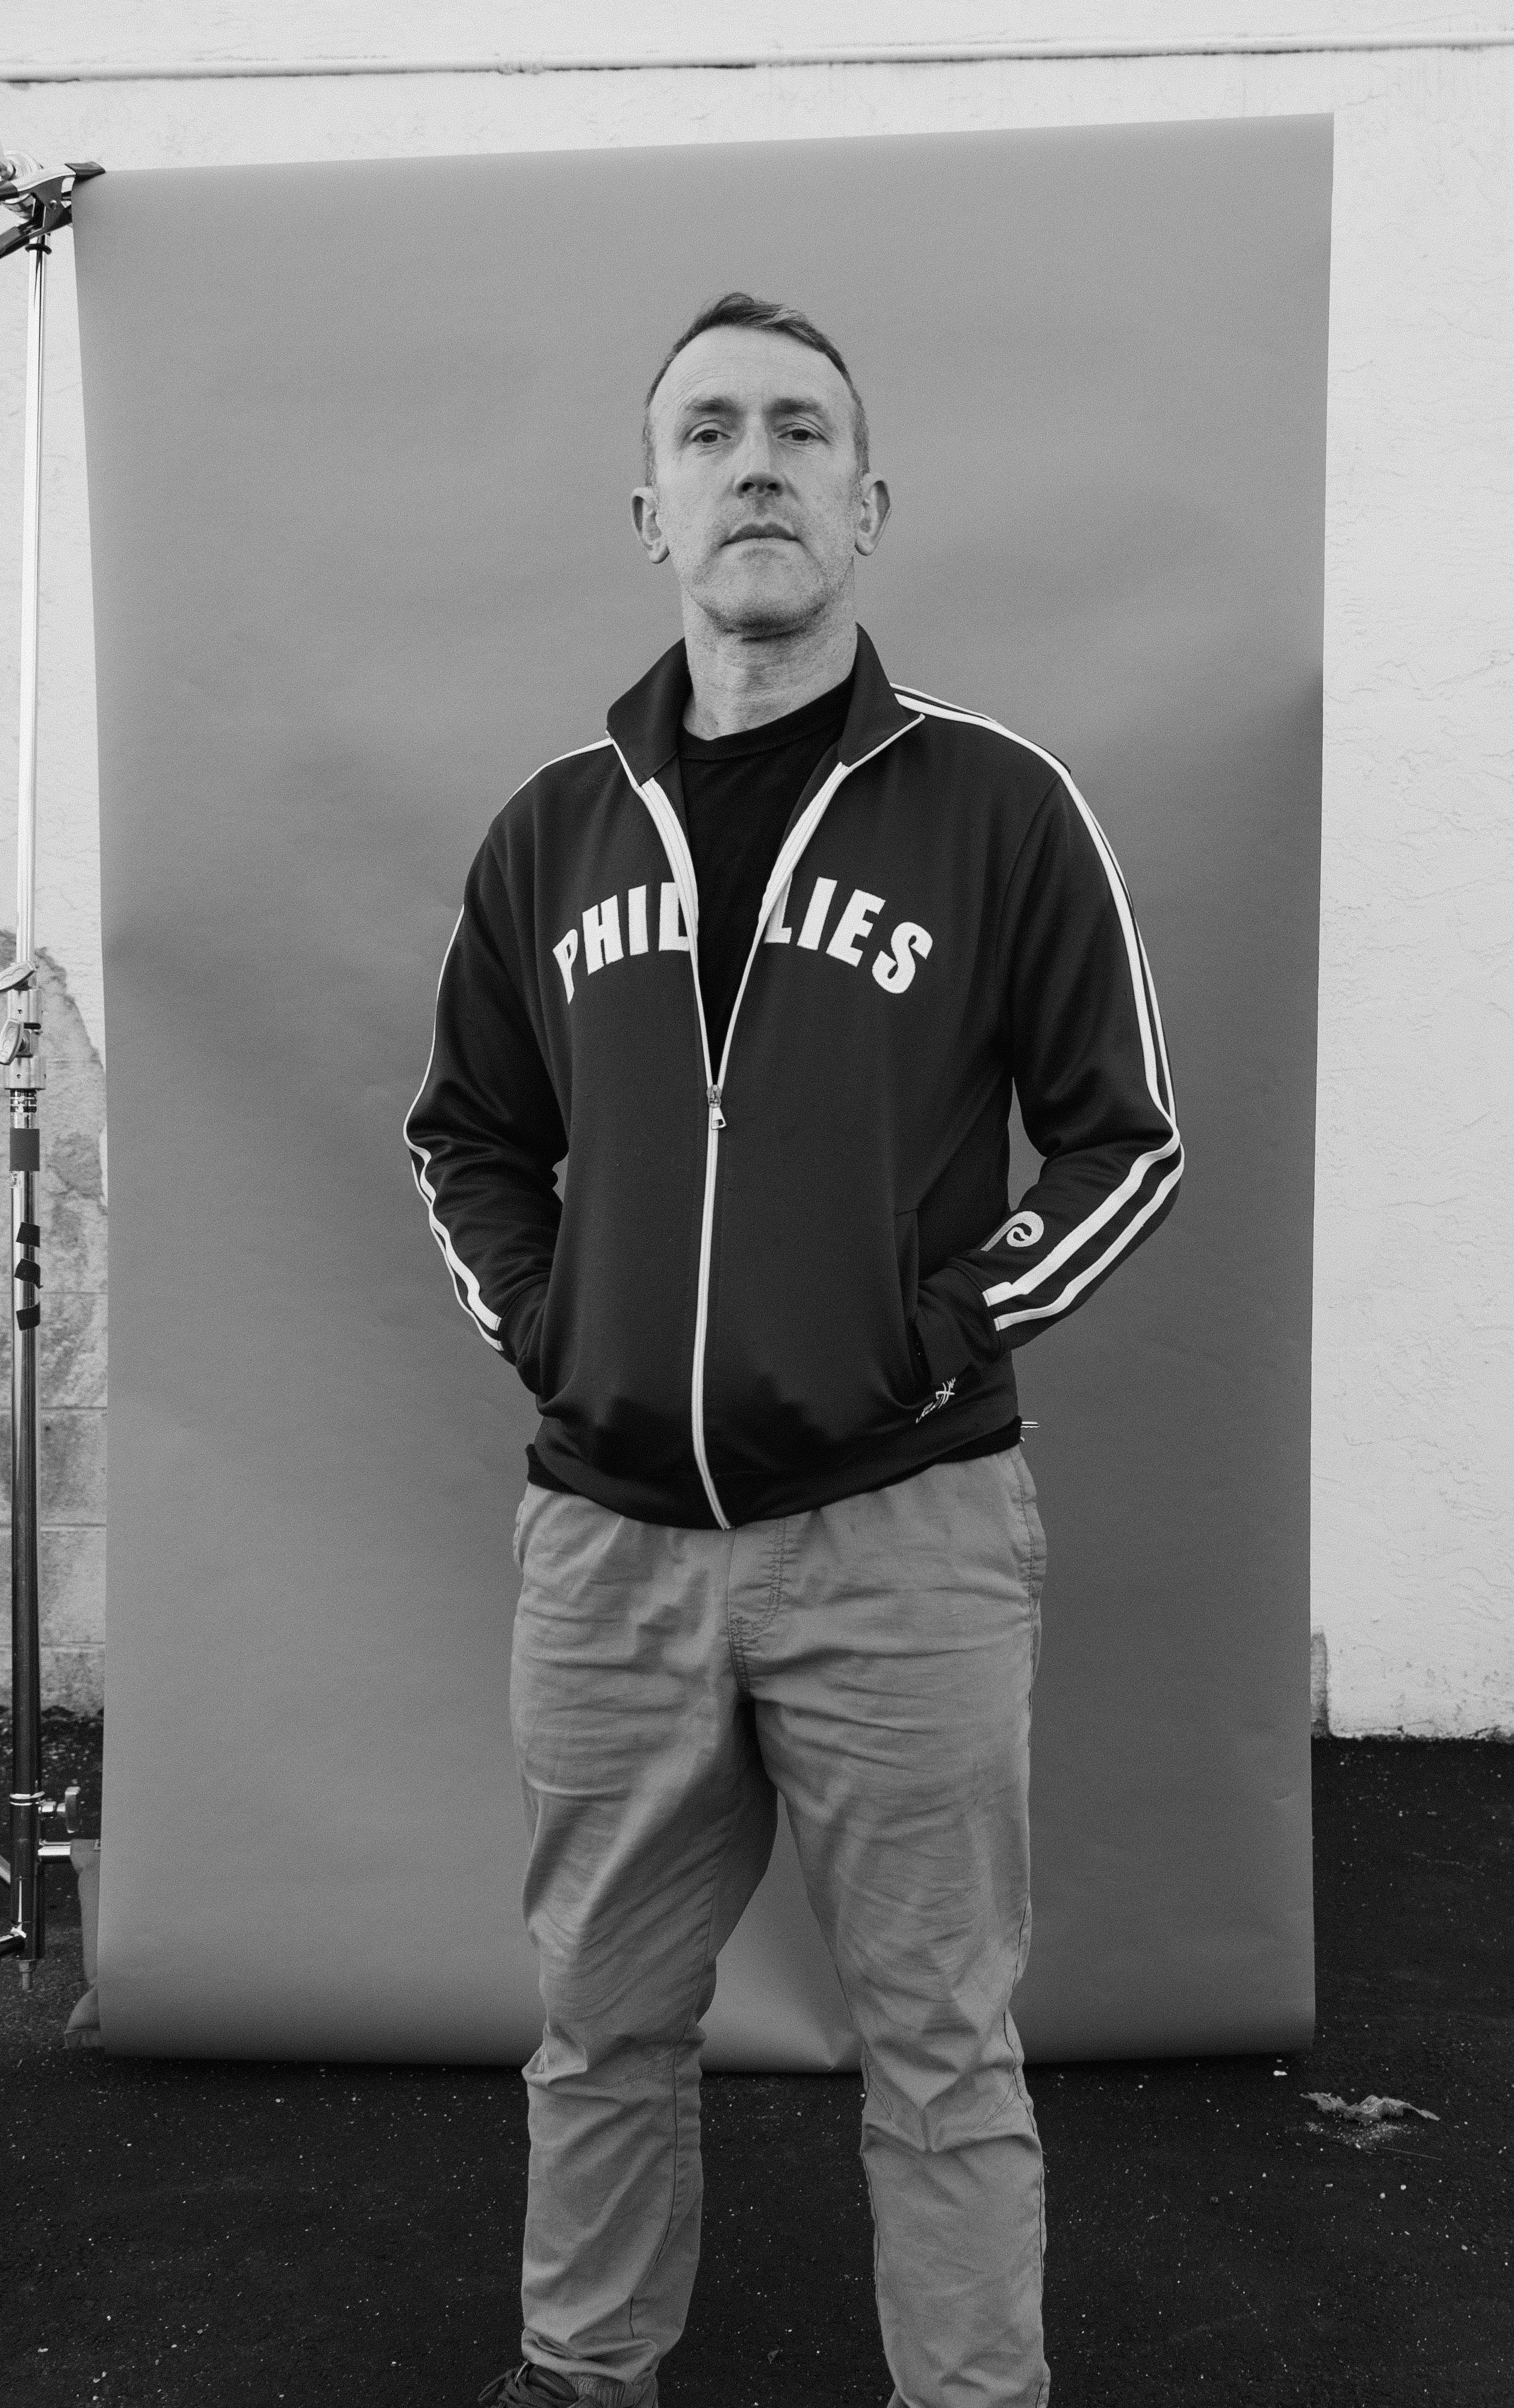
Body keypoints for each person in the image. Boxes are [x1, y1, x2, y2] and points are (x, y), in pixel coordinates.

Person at [404, 290, 1182, 2408]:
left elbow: (1124, 1140)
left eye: (802, 431)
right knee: (600, 2027)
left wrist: (936, 1338)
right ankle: (585, 2377)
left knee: (941, 2039)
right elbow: (466, 1132)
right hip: (610, 1554)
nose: (756, 463)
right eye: (710, 432)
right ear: (647, 509)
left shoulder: (997, 807)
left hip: (904, 1534)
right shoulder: (554, 830)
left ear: (870, 504)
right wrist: (559, 1334)